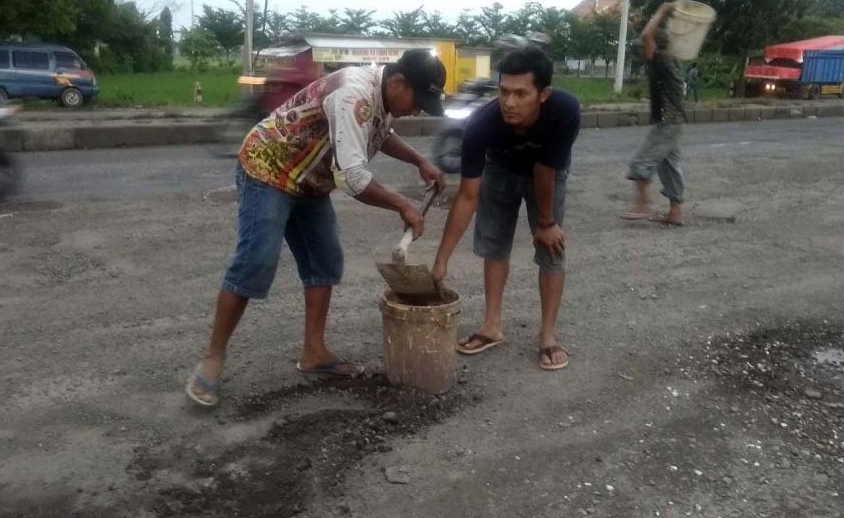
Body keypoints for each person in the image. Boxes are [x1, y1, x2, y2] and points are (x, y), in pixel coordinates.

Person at [186, 49, 448, 406]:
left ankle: (314, 352)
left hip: (309, 179)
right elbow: (353, 178)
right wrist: (403, 205)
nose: (417, 110)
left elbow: (378, 132)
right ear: (399, 82)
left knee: (325, 260)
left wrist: (419, 160)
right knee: (256, 260)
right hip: (269, 167)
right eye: (419, 101)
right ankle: (213, 358)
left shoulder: (380, 94)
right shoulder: (355, 92)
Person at [431, 46, 581, 371]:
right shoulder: (481, 124)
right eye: (503, 91)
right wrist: (441, 260)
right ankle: (491, 326)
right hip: (501, 168)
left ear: (543, 94)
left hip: (549, 173)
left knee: (551, 247)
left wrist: (546, 222)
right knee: (494, 246)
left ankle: (548, 335)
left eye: (521, 93)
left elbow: (545, 169)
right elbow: (468, 195)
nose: (509, 103)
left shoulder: (565, 110)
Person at [622, 2, 687, 226]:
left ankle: (644, 204)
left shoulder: (662, 61)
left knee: (640, 161)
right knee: (669, 165)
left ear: (654, 47)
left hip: (668, 122)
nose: (641, 50)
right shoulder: (670, 61)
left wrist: (662, 10)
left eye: (643, 46)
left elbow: (647, 35)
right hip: (673, 121)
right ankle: (675, 212)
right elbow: (653, 37)